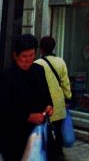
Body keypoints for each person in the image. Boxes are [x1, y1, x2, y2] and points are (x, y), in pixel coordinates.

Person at [0, 33, 53, 161]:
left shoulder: (39, 70)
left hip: (37, 134)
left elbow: (46, 95)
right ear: (15, 55)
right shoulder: (7, 77)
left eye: (31, 55)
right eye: (24, 56)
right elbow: (3, 110)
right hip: (14, 137)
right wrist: (28, 117)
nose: (29, 60)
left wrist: (49, 106)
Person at [35, 35, 72, 161]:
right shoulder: (61, 62)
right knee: (58, 130)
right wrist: (68, 99)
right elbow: (65, 83)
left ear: (41, 49)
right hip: (59, 104)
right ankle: (59, 153)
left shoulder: (37, 64)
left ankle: (47, 153)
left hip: (44, 105)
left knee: (44, 131)